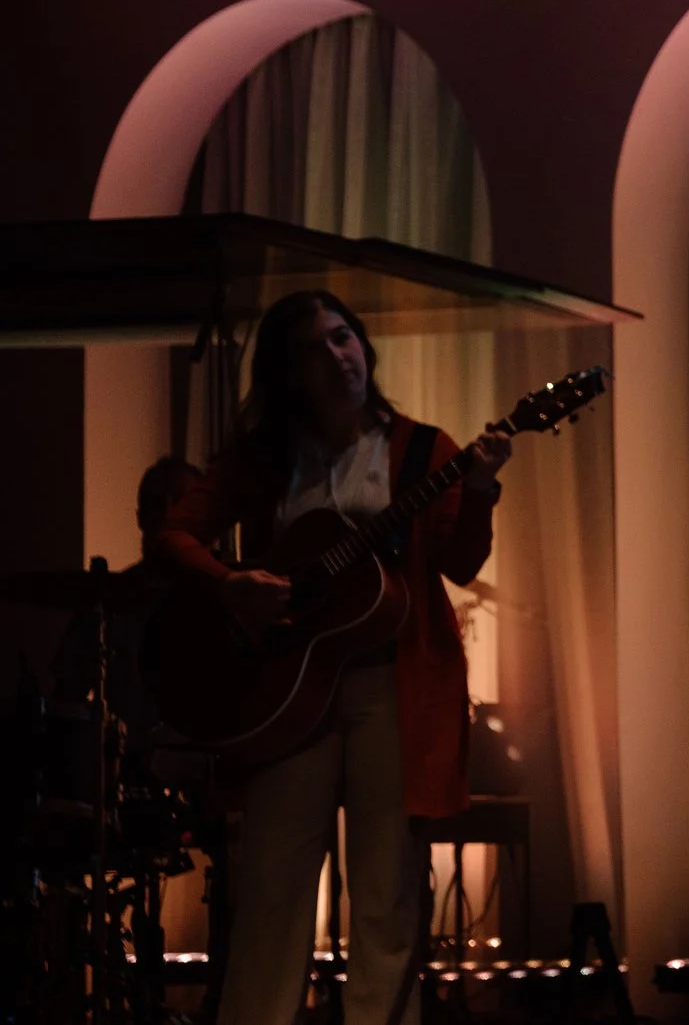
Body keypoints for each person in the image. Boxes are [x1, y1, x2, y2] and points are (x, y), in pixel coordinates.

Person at [150, 289, 511, 1025]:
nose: (338, 355)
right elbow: (174, 534)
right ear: (288, 372)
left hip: (392, 684)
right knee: (272, 888)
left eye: (343, 337)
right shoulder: (263, 459)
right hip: (286, 690)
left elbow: (461, 563)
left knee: (387, 892)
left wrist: (478, 491)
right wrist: (230, 584)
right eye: (314, 348)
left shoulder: (422, 450)